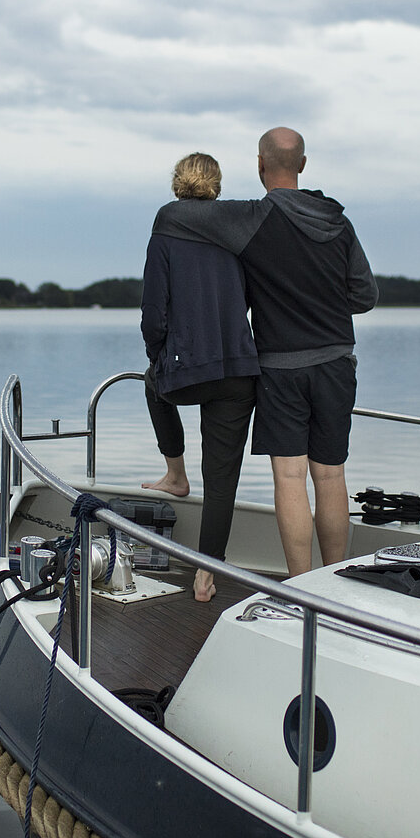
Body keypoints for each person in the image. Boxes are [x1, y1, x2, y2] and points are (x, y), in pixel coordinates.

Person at [151, 128, 375, 576]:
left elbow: (177, 216)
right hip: (336, 364)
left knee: (291, 478)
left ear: (260, 165)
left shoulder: (253, 218)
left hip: (280, 370)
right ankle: (337, 587)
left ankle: (303, 588)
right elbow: (364, 296)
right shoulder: (339, 222)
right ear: (304, 165)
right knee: (331, 477)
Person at [140, 152, 260, 602]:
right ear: (217, 185)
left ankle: (175, 474)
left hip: (188, 367)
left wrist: (159, 354)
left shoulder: (166, 224)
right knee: (223, 477)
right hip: (239, 368)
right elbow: (249, 296)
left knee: (153, 386)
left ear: (178, 182)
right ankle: (207, 576)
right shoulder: (237, 229)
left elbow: (155, 309)